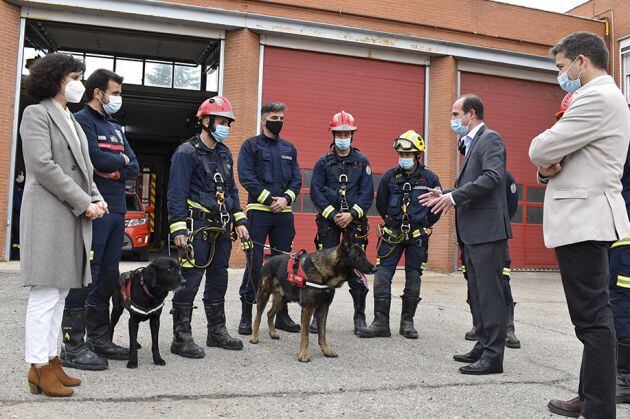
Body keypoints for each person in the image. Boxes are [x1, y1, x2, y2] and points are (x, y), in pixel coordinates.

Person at [529, 32, 630, 418]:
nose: (561, 75)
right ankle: (589, 396)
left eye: (561, 67)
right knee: (594, 316)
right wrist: (544, 168)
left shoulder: (596, 97)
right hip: (588, 217)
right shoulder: (604, 98)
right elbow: (554, 160)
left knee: (592, 320)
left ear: (582, 61)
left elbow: (541, 148)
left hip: (585, 219)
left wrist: (542, 160)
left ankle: (599, 408)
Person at [20, 52, 107, 397]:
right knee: (45, 293)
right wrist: (84, 202)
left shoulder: (69, 117)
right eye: (74, 76)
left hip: (69, 213)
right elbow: (43, 165)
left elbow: (85, 169)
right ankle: (38, 366)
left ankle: (51, 360)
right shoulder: (36, 113)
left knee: (59, 294)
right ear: (56, 78)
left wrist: (96, 198)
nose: (78, 84)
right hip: (49, 213)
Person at [421, 94, 511, 375]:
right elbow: (473, 184)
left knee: (490, 294)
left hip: (487, 233)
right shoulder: (472, 145)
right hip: (472, 234)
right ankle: (483, 345)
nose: (453, 120)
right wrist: (446, 193)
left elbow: (493, 177)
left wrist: (454, 198)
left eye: (455, 114)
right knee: (477, 293)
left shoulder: (490, 139)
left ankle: (494, 356)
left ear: (471, 114)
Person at [61, 69, 139, 371]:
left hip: (117, 209)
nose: (118, 98)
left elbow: (134, 165)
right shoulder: (81, 121)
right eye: (115, 92)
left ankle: (99, 338)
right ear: (98, 93)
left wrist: (116, 167)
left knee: (108, 275)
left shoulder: (117, 128)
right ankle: (73, 343)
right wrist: (116, 162)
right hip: (93, 207)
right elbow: (95, 159)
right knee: (86, 273)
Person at [168, 96, 250, 358]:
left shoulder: (224, 153)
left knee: (219, 278)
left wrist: (240, 219)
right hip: (196, 229)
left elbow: (231, 190)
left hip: (221, 229)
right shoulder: (185, 152)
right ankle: (181, 337)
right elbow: (176, 194)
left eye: (228, 122)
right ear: (205, 121)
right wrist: (179, 230)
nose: (225, 126)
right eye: (221, 121)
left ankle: (217, 331)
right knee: (189, 280)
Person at [358, 130, 440, 339]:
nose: (404, 159)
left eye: (408, 155)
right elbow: (381, 203)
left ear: (417, 155)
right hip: (391, 234)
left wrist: (425, 223)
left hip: (418, 236)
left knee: (413, 277)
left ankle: (407, 323)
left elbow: (437, 207)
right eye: (401, 155)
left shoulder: (430, 178)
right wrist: (391, 222)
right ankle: (380, 323)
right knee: (382, 277)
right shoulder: (389, 177)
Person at [237, 102, 302, 335]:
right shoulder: (250, 146)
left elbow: (297, 180)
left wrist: (285, 199)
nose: (279, 121)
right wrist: (268, 199)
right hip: (258, 211)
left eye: (282, 117)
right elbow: (245, 176)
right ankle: (247, 315)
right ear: (264, 119)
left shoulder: (289, 148)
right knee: (254, 264)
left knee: (285, 266)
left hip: (283, 215)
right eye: (275, 117)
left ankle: (282, 315)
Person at [309, 111, 373, 334]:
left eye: (347, 133)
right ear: (333, 134)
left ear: (352, 135)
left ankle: (359, 317)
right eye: (339, 133)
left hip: (354, 224)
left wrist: (351, 215)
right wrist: (333, 214)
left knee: (355, 268)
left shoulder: (362, 161)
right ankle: (318, 317)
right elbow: (316, 192)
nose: (343, 137)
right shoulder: (323, 163)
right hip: (329, 223)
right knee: (324, 269)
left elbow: (367, 194)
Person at [461, 170, 521, 349]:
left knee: (502, 281)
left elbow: (511, 205)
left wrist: (495, 225)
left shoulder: (504, 176)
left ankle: (508, 329)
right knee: (474, 283)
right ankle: (479, 326)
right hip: (471, 238)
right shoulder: (466, 175)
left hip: (494, 237)